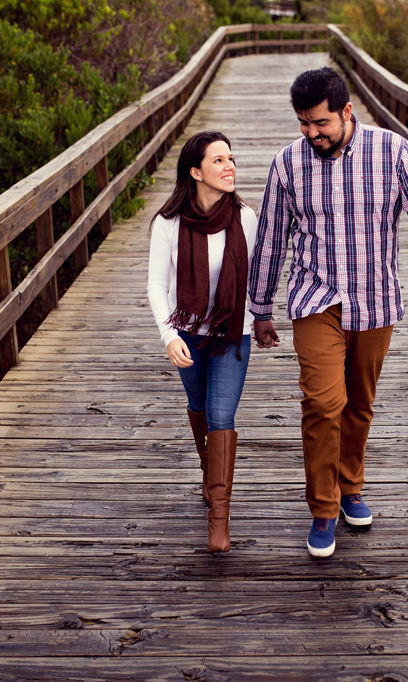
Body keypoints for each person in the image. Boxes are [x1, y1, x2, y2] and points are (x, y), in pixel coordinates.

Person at [249, 67, 408, 558]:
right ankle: (323, 509)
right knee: (324, 404)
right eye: (302, 123)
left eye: (319, 123)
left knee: (358, 404)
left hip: (375, 299)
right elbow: (271, 241)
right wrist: (260, 308)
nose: (311, 134)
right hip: (314, 299)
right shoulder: (287, 165)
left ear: (347, 111)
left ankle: (350, 487)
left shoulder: (393, 152)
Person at [147, 130, 258, 553]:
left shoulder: (244, 216)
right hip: (188, 332)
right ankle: (207, 470)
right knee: (198, 408)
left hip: (232, 332)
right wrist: (169, 335)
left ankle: (218, 518)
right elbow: (157, 285)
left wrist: (259, 318)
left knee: (219, 414)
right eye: (218, 160)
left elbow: (254, 279)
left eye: (231, 158)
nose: (229, 166)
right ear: (195, 171)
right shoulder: (167, 223)